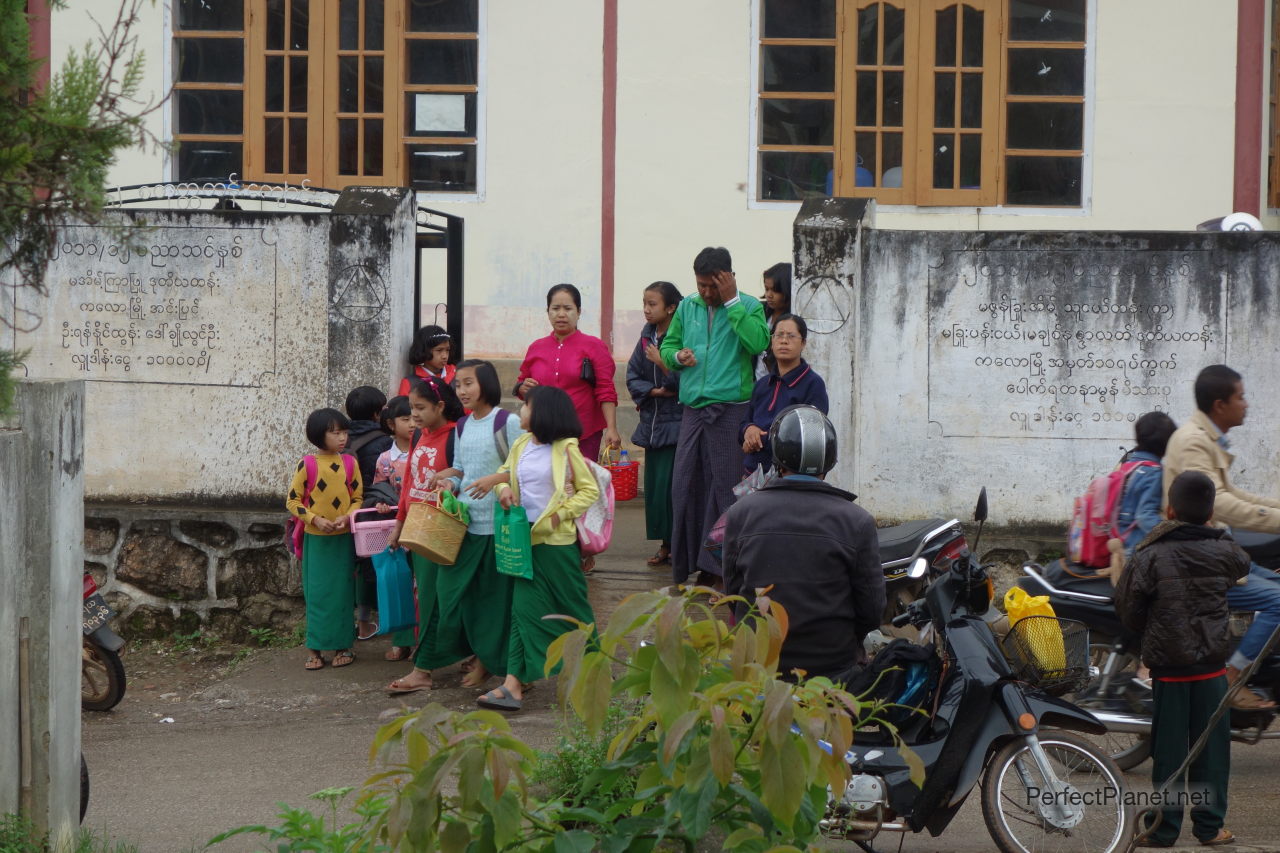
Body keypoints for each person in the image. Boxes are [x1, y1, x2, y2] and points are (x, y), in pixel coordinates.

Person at [1115, 470, 1249, 848]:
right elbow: (1242, 565)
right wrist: (1215, 532)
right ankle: (1210, 829)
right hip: (1211, 669)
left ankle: (1163, 830)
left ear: (1170, 509)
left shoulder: (1150, 553)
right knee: (1212, 752)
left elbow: (1127, 608)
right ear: (1210, 514)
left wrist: (1152, 629)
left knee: (1169, 753)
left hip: (1169, 669)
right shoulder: (1223, 548)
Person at [722, 405, 884, 682]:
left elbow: (734, 591)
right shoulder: (858, 521)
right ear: (829, 461)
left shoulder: (740, 513)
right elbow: (871, 610)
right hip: (831, 670)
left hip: (758, 667)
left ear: (777, 457)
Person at [1162, 364, 1280, 710]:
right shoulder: (1194, 442)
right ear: (1219, 405)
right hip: (1194, 557)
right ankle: (1233, 675)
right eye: (1240, 397)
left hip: (1211, 549)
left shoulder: (1206, 437)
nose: (1246, 404)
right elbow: (1221, 503)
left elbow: (1234, 492)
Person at [477, 386, 598, 712]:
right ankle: (513, 685)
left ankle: (592, 673)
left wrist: (560, 515)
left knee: (574, 610)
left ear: (544, 411)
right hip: (522, 539)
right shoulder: (520, 444)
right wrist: (502, 490)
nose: (520, 409)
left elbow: (589, 491)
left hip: (556, 544)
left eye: (527, 405)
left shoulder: (566, 448)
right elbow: (505, 475)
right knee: (523, 612)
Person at [660, 246, 771, 586]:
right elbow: (667, 347)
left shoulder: (749, 306)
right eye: (701, 285)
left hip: (731, 410)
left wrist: (732, 302)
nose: (706, 293)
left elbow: (756, 343)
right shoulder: (687, 307)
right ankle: (691, 565)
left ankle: (726, 571)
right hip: (693, 409)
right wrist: (677, 356)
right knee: (684, 486)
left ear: (727, 278)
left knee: (727, 490)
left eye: (712, 285)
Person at [426, 360, 526, 690]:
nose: (462, 391)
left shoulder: (506, 421)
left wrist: (494, 479)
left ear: (486, 384)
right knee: (455, 596)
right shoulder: (462, 426)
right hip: (465, 525)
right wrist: (448, 481)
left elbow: (524, 468)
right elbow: (461, 469)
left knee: (495, 604)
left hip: (499, 528)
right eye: (458, 385)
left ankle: (495, 667)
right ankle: (473, 657)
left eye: (469, 383)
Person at [383, 377, 468, 692]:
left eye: (420, 408)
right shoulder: (420, 434)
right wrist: (399, 524)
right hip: (418, 527)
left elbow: (466, 472)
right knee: (429, 597)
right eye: (411, 408)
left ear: (440, 406)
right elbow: (408, 483)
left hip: (441, 528)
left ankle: (425, 670)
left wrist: (452, 475)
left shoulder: (456, 436)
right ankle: (441, 659)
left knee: (436, 599)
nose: (413, 415)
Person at [285, 408, 363, 671]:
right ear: (319, 435)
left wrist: (347, 517)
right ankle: (315, 649)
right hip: (316, 540)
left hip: (343, 540)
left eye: (344, 432)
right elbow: (292, 500)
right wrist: (315, 519)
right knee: (316, 594)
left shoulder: (350, 463)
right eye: (335, 432)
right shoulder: (307, 464)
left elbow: (358, 499)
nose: (342, 437)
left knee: (342, 593)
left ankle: (344, 647)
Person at [514, 283, 620, 463]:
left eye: (568, 308)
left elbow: (605, 389)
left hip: (583, 433)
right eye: (555, 308)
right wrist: (523, 388)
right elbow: (521, 383)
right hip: (543, 433)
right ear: (548, 311)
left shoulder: (594, 346)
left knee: (580, 485)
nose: (561, 314)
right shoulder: (536, 347)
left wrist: (611, 428)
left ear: (578, 312)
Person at [625, 281, 683, 568]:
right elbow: (632, 374)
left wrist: (662, 363)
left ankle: (679, 546)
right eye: (644, 303)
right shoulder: (646, 336)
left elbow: (685, 381)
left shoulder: (682, 336)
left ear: (671, 308)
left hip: (677, 426)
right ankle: (665, 545)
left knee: (675, 490)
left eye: (653, 304)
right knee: (656, 492)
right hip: (652, 426)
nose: (646, 310)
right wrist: (653, 391)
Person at [739, 313, 828, 475]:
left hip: (790, 476)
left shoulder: (812, 384)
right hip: (754, 472)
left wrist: (758, 441)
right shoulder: (762, 384)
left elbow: (811, 437)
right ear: (772, 341)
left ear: (803, 343)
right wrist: (748, 431)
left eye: (791, 336)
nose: (784, 341)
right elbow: (744, 422)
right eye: (779, 335)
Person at [345, 385, 393, 640]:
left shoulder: (342, 438)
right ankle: (388, 618)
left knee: (357, 566)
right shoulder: (384, 440)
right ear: (377, 413)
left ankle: (361, 624)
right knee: (381, 563)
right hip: (377, 508)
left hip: (347, 512)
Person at [398, 325, 456, 396]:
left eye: (447, 350)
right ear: (424, 351)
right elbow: (403, 406)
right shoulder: (410, 383)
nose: (445, 356)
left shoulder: (458, 375)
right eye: (439, 350)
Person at [758, 262, 793, 377]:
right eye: (767, 289)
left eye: (775, 290)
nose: (769, 295)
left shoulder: (792, 319)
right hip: (756, 383)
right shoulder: (760, 311)